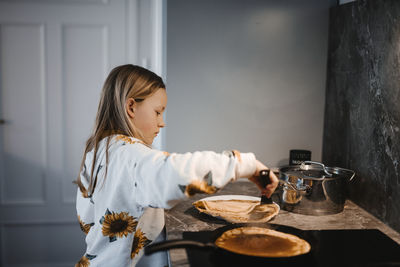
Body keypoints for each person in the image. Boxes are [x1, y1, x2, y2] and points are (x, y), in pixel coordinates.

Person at [74, 64, 279, 267]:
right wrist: (245, 164)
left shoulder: (100, 150)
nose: (162, 122)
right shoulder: (130, 155)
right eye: (157, 112)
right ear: (131, 107)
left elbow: (92, 217)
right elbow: (175, 172)